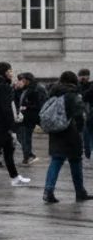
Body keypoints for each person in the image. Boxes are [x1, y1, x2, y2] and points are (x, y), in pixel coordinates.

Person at [42, 71, 89, 203]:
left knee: (56, 161)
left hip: (56, 131)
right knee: (75, 162)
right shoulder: (74, 95)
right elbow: (80, 116)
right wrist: (80, 130)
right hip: (71, 132)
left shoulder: (53, 92)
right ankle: (80, 191)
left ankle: (48, 191)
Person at [16, 72, 43, 165]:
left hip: (29, 117)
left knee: (26, 137)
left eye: (23, 79)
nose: (21, 81)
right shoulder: (24, 89)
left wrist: (26, 107)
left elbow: (37, 105)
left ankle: (26, 157)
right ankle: (28, 154)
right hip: (23, 117)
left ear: (28, 80)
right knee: (21, 136)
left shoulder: (34, 90)